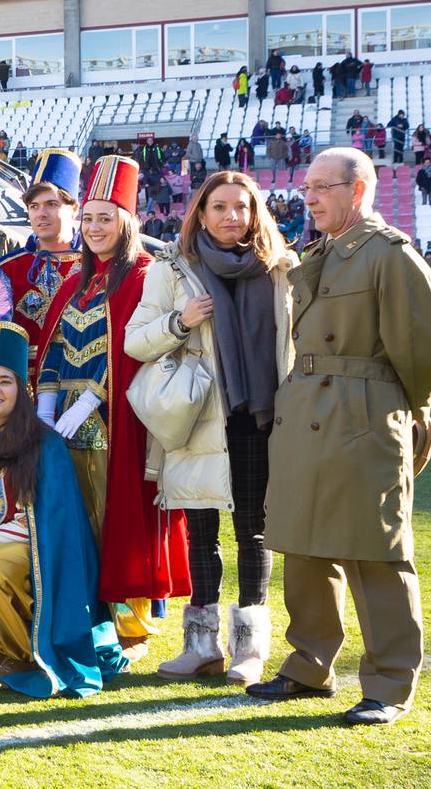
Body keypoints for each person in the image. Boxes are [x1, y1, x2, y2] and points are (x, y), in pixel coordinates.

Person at [246, 148, 431, 726]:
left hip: (363, 416)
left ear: (357, 191)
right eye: (306, 187)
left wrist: (409, 415)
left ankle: (388, 683)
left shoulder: (390, 256)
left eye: (321, 187)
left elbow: (421, 351)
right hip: (306, 413)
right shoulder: (322, 252)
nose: (307, 197)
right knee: (304, 547)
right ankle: (309, 665)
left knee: (376, 555)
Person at [126, 171, 297, 685]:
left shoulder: (281, 269)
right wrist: (180, 320)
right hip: (198, 416)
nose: (230, 217)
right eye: (218, 206)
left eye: (240, 207)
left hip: (260, 418)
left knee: (254, 530)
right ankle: (201, 646)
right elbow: (136, 341)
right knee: (201, 535)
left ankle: (249, 649)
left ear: (254, 212)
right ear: (200, 213)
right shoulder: (172, 270)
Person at [34, 155, 189, 660]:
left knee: (117, 515)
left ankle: (132, 622)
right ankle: (90, 609)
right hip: (63, 425)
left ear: (127, 222)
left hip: (116, 420)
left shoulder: (146, 274)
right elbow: (56, 347)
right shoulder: (77, 281)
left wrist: (86, 406)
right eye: (89, 218)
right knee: (77, 516)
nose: (94, 227)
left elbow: (131, 351)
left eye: (106, 217)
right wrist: (47, 408)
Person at [0, 322, 126, 696]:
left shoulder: (44, 446)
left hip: (27, 563)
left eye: (5, 381)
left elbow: (42, 524)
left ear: (22, 388)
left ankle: (23, 654)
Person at [0, 150, 84, 352]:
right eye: (34, 206)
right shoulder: (8, 269)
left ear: (74, 208)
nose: (41, 214)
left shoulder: (97, 264)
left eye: (51, 204)